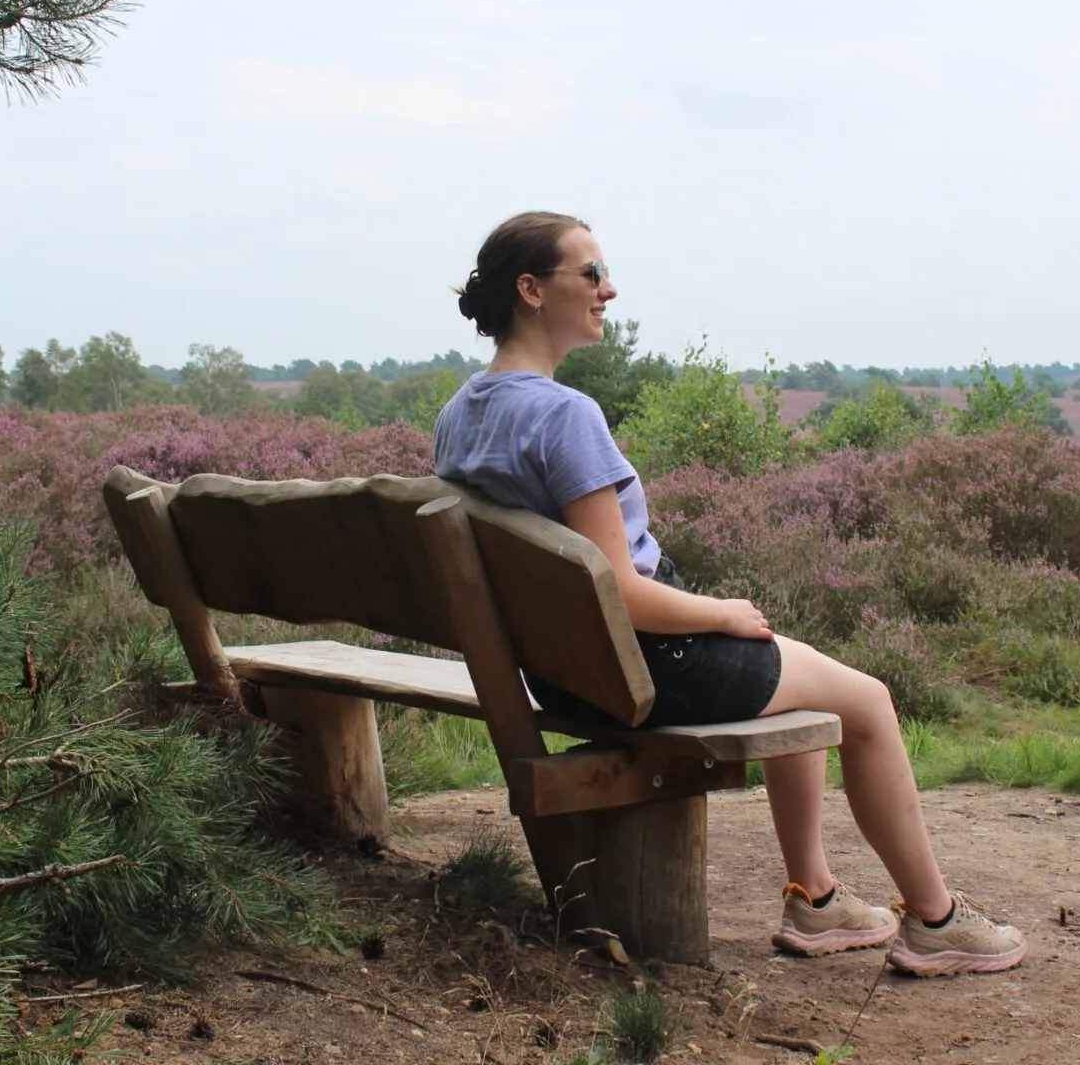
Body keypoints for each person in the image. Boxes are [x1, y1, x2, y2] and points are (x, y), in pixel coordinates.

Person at [432, 210, 1026, 975]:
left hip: (561, 673)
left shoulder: (460, 414)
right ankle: (937, 921)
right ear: (531, 290)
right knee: (869, 701)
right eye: (590, 274)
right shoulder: (564, 415)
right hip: (642, 664)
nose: (609, 289)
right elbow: (622, 592)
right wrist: (723, 612)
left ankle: (815, 901)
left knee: (796, 669)